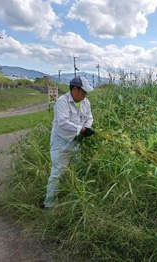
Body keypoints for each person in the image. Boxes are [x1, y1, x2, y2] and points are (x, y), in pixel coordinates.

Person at [43, 76, 95, 209]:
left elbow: (89, 117)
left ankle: (73, 196)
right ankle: (49, 204)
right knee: (57, 172)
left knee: (77, 169)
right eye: (84, 92)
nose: (85, 95)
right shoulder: (62, 102)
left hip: (76, 141)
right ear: (75, 90)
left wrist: (87, 127)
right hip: (61, 142)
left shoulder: (85, 102)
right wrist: (82, 129)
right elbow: (63, 122)